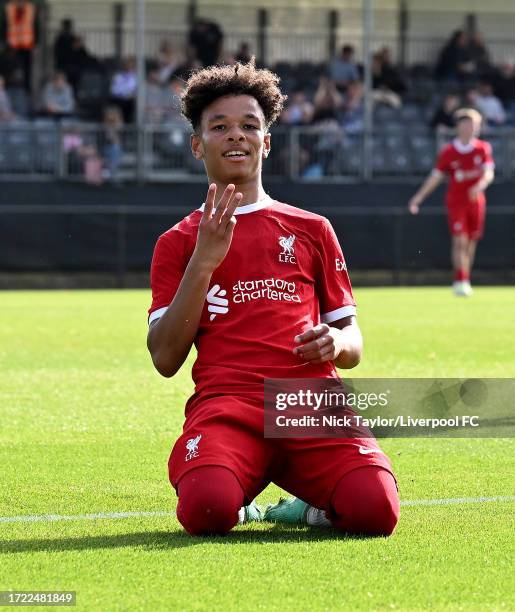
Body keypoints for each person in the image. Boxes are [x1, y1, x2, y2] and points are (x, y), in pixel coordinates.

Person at [147, 60, 399, 537]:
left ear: (266, 141)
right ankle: (236, 494)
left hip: (310, 402)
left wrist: (337, 345)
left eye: (249, 126)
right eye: (219, 127)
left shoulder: (312, 228)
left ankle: (306, 507)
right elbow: (164, 358)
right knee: (207, 511)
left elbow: (353, 344)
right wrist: (204, 261)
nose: (235, 136)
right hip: (228, 405)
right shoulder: (177, 242)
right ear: (198, 145)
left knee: (376, 512)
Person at [408, 109, 494, 296]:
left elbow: (488, 173)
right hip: (456, 201)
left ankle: (465, 279)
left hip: (477, 202)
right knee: (459, 241)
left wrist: (480, 185)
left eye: (475, 124)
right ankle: (460, 280)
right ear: (459, 127)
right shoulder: (449, 151)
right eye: (468, 124)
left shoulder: (483, 148)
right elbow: (435, 177)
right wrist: (418, 198)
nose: (472, 128)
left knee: (471, 242)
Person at [2, 0, 38, 92]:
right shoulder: (9, 8)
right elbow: (4, 26)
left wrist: (36, 43)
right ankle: (8, 87)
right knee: (10, 68)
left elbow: (35, 26)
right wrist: (4, 42)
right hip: (12, 45)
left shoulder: (30, 8)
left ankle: (27, 89)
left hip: (27, 45)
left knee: (27, 69)